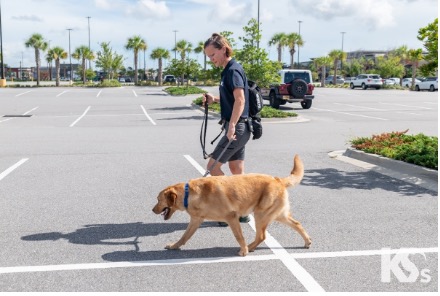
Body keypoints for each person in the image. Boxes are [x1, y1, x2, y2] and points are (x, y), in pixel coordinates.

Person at [202, 33, 252, 226]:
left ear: (223, 49)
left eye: (212, 55)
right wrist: (214, 99)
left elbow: (241, 100)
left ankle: (232, 210)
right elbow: (232, 100)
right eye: (208, 56)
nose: (211, 59)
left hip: (237, 128)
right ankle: (243, 211)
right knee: (236, 170)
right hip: (240, 127)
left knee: (212, 168)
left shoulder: (233, 70)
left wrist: (231, 126)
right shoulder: (228, 71)